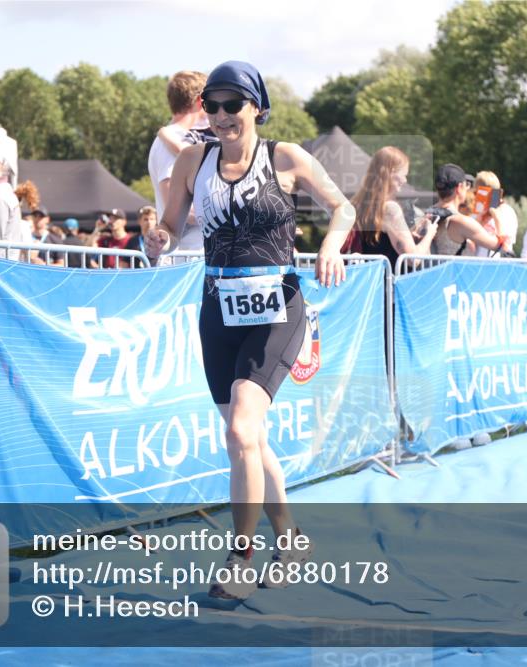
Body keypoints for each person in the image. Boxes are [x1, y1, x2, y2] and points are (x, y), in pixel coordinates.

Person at [143, 61, 353, 600]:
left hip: (277, 308)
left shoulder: (284, 156)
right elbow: (171, 224)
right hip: (217, 309)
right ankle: (291, 538)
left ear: (256, 107)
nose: (219, 116)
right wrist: (159, 238)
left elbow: (343, 207)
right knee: (250, 438)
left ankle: (241, 557)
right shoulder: (194, 160)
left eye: (231, 105)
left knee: (239, 431)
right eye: (210, 106)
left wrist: (330, 245)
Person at [342, 146, 437, 267]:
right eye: (403, 174)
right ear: (390, 172)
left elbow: (376, 243)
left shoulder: (358, 205)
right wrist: (429, 234)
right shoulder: (390, 209)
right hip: (389, 281)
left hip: (369, 280)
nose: (405, 180)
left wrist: (411, 235)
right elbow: (412, 259)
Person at [148, 71, 209, 257]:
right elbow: (173, 209)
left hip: (196, 257)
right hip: (187, 259)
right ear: (200, 100)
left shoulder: (180, 138)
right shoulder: (172, 140)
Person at [429, 164, 508, 257]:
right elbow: (503, 247)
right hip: (458, 271)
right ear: (459, 188)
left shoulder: (428, 215)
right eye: (466, 185)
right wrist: (497, 217)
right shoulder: (462, 221)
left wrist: (480, 221)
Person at [471, 171, 518, 257]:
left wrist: (496, 217)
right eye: (475, 193)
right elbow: (468, 242)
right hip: (476, 264)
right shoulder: (473, 213)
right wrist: (479, 221)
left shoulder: (507, 212)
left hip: (499, 264)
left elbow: (506, 244)